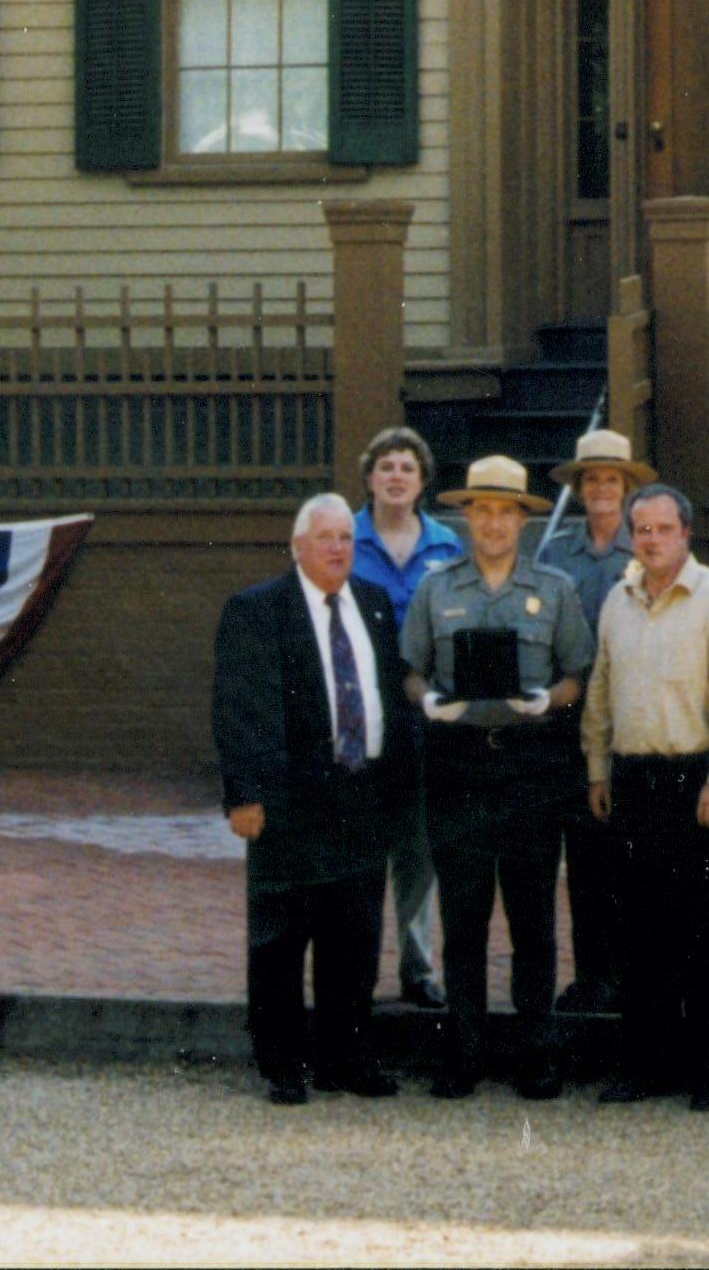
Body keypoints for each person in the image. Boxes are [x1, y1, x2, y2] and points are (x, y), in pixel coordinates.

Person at [211, 494, 418, 1104]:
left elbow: (388, 696)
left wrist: (399, 788)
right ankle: (281, 1064)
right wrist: (244, 795)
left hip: (361, 796)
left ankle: (345, 1059)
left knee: (352, 938)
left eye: (345, 538)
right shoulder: (258, 610)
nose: (336, 548)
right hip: (287, 801)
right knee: (280, 938)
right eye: (324, 538)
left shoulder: (375, 606)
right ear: (297, 546)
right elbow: (239, 711)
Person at [400, 455, 594, 1099]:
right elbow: (411, 670)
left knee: (534, 920)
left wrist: (550, 701)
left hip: (531, 770)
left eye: (504, 511)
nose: (491, 522)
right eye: (480, 509)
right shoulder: (437, 589)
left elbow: (578, 674)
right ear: (465, 516)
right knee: (464, 921)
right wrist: (428, 700)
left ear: (522, 519)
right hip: (459, 768)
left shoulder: (556, 589)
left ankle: (534, 1052)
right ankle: (464, 1053)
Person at [579, 481, 709, 1111]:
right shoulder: (617, 603)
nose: (651, 539)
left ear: (687, 532)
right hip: (631, 780)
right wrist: (598, 767)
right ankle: (644, 1065)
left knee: (705, 927)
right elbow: (601, 690)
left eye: (662, 528)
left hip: (697, 781)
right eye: (642, 529)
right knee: (640, 928)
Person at [345, 424, 462, 1010]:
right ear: (369, 478)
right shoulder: (344, 539)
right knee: (364, 841)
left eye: (406, 468)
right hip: (358, 708)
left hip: (422, 710)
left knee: (417, 845)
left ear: (422, 481)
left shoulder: (445, 545)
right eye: (385, 466)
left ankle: (419, 968)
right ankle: (355, 969)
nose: (395, 476)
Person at [538, 427, 652, 1014]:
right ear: (580, 488)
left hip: (637, 723)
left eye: (612, 478)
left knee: (633, 856)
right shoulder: (555, 553)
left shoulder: (650, 547)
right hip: (572, 725)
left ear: (628, 487)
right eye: (592, 479)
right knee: (584, 856)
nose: (602, 488)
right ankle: (591, 977)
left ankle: (636, 981)